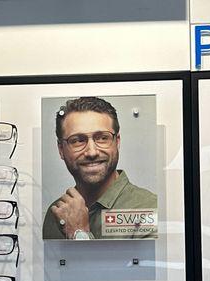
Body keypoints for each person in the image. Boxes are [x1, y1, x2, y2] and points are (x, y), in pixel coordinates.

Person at [43, 96, 157, 240]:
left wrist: (79, 234)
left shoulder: (148, 209)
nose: (92, 152)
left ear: (117, 142)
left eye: (102, 138)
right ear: (61, 149)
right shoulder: (57, 214)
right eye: (78, 140)